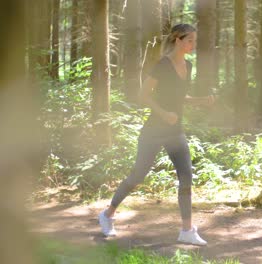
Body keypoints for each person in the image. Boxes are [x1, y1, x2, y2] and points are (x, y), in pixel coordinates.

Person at [98, 24, 213, 246]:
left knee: (186, 176)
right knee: (137, 176)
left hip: (175, 131)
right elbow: (142, 95)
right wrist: (163, 113)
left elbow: (179, 97)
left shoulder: (188, 65)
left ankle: (187, 230)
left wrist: (201, 101)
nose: (193, 45)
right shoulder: (162, 65)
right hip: (153, 132)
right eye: (190, 41)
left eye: (194, 41)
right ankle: (108, 214)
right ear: (178, 40)